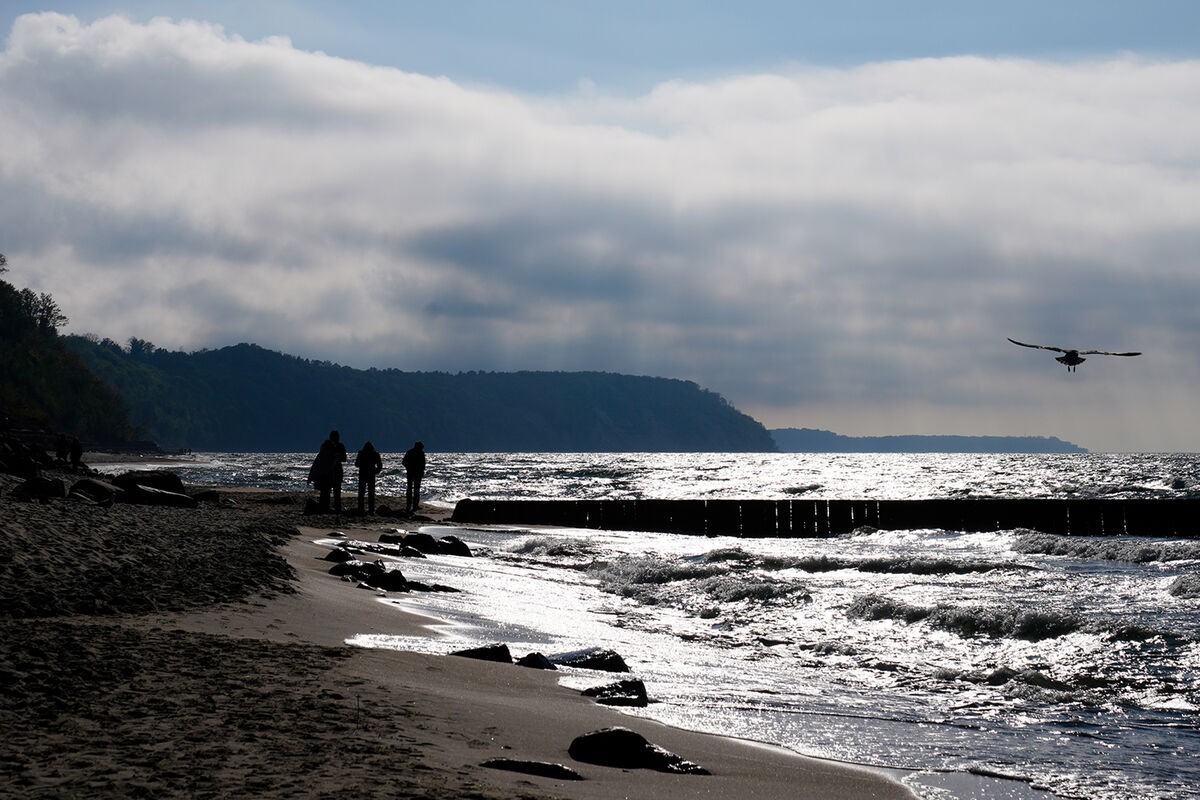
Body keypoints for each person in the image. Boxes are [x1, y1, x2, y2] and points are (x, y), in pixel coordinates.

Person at [308, 430, 347, 512]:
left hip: (332, 470)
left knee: (332, 490)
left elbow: (343, 458)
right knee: (329, 490)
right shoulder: (329, 446)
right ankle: (329, 507)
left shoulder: (330, 446)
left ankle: (332, 507)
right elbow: (343, 458)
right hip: (329, 471)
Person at [354, 441, 383, 515]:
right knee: (371, 494)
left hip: (363, 474)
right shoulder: (375, 454)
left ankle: (361, 509)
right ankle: (371, 510)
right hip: (371, 475)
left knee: (361, 494)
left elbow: (356, 464)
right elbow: (380, 465)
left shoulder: (361, 453)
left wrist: (362, 465)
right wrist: (376, 471)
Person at [402, 440, 425, 514]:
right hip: (415, 473)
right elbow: (423, 464)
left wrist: (408, 467)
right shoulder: (420, 453)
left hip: (412, 473)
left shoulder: (410, 452)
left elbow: (404, 462)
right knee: (415, 490)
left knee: (411, 490)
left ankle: (410, 505)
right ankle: (413, 505)